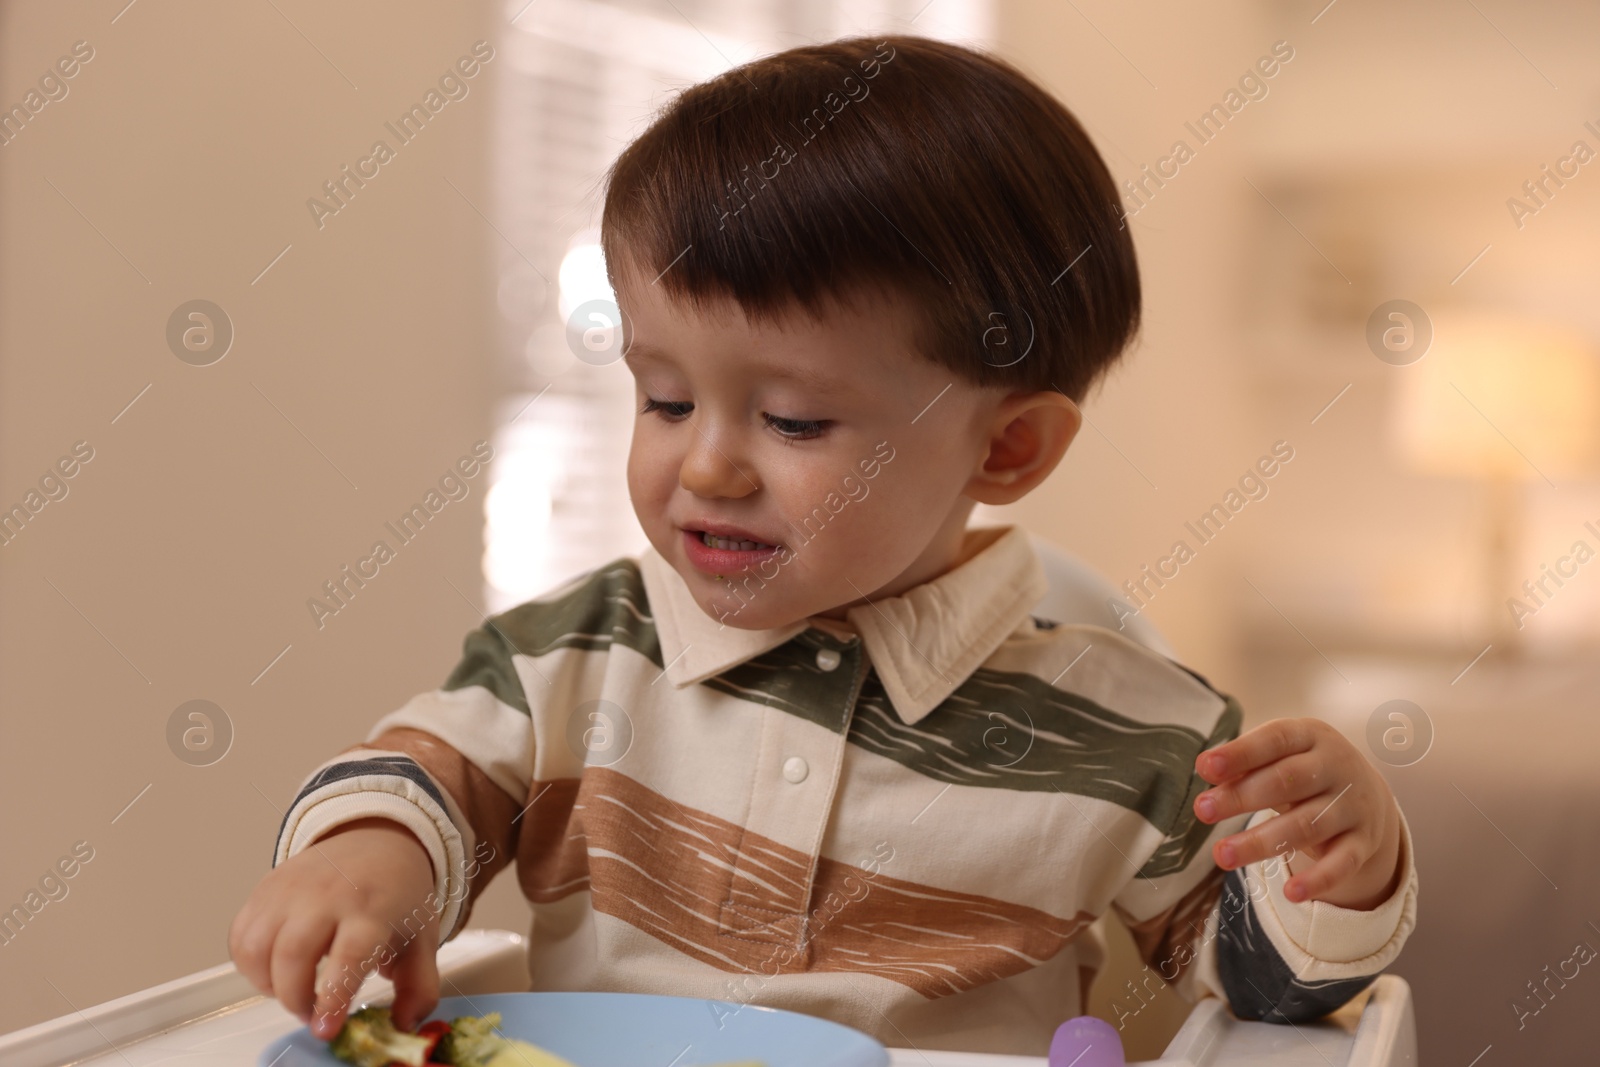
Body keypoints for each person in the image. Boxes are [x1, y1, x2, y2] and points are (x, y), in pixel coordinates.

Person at [229, 34, 1416, 1056]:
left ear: (1005, 450)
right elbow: (428, 769)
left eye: (792, 419)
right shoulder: (585, 649)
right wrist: (370, 859)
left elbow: (1266, 996)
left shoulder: (1132, 732)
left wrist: (1338, 865)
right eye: (664, 398)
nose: (706, 465)